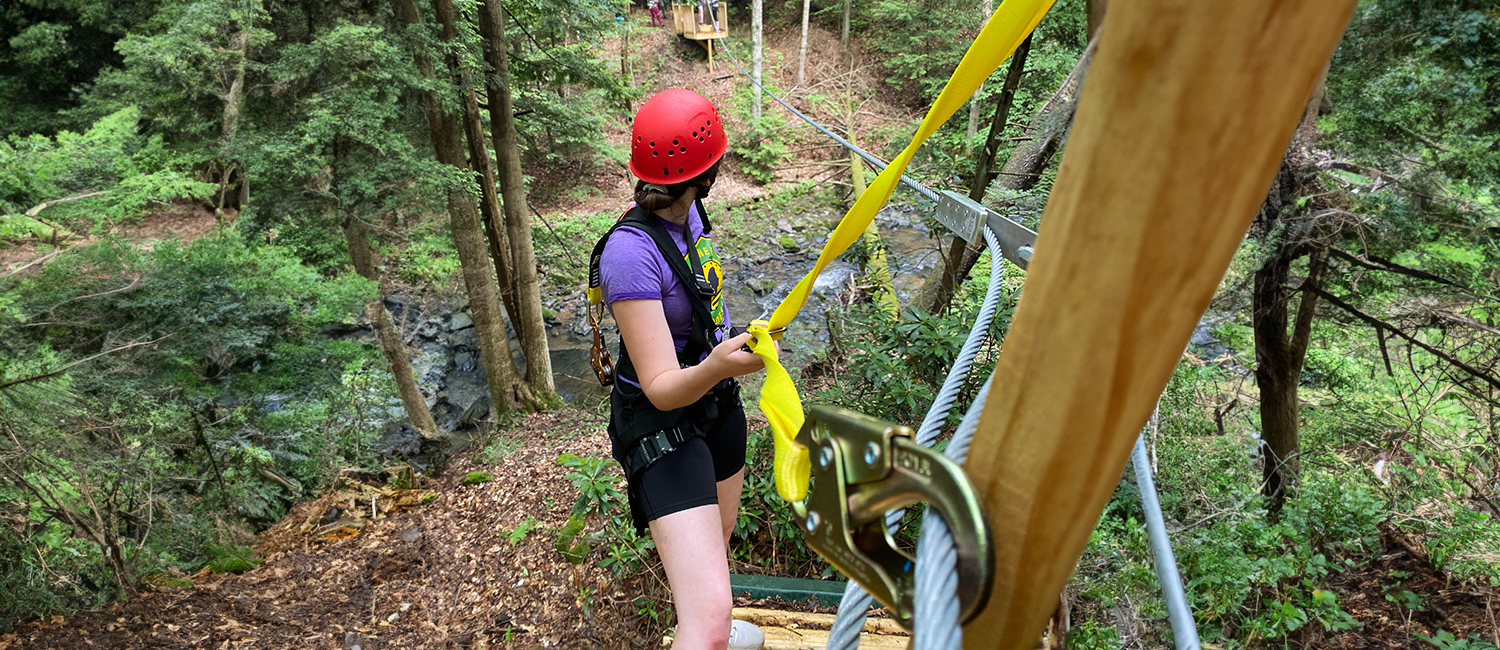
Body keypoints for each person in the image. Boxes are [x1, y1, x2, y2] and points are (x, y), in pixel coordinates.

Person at [597, 89, 767, 650]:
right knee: (712, 618)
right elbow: (662, 388)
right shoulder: (629, 253)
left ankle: (705, 625)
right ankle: (707, 632)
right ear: (709, 170)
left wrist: (724, 354)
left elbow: (699, 295)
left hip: (715, 403)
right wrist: (719, 365)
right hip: (662, 418)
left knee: (713, 551)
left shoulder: (690, 209)